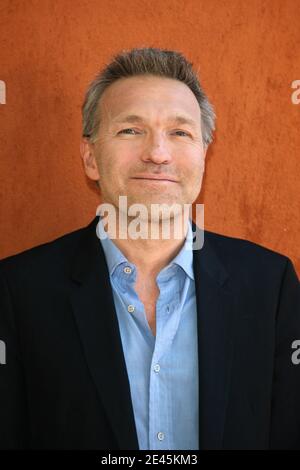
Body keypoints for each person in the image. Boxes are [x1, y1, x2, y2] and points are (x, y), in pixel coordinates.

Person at [0, 47, 299, 450]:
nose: (158, 153)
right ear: (90, 157)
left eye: (180, 133)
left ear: (204, 157)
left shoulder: (271, 284)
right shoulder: (18, 291)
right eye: (130, 130)